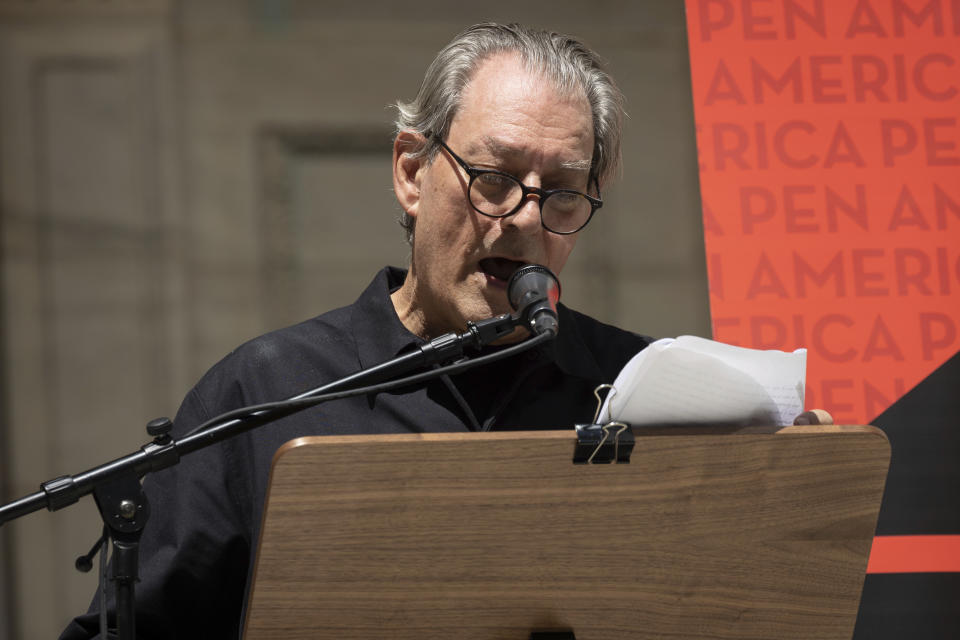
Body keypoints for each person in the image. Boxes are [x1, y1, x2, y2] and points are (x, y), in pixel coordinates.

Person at [61, 22, 651, 639]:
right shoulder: (266, 390)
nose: (527, 218)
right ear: (412, 172)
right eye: (495, 178)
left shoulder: (639, 385)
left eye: (561, 193)